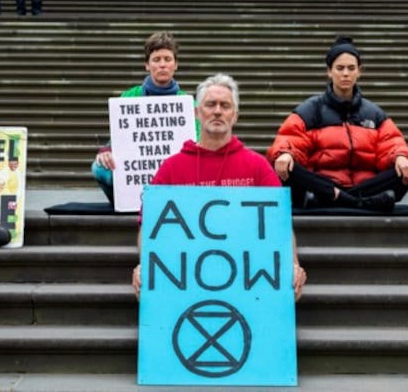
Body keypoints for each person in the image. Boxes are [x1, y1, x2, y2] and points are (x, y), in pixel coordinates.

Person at [131, 73, 306, 301]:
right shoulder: (171, 168)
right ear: (196, 112)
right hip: (186, 279)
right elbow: (149, 224)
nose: (217, 111)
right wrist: (146, 265)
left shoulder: (258, 167)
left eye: (225, 105)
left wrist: (293, 264)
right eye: (210, 104)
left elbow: (279, 223)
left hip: (245, 280)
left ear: (235, 115)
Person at [267, 36, 408, 212]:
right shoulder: (310, 110)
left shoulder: (374, 113)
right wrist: (285, 154)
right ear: (329, 72)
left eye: (351, 68)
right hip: (323, 182)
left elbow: (393, 142)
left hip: (363, 185)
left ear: (359, 71)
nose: (345, 73)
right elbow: (289, 138)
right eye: (340, 68)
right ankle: (361, 203)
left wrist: (400, 156)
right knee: (284, 167)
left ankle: (333, 200)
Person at [92, 31, 197, 206]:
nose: (162, 65)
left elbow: (197, 141)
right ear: (147, 65)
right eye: (156, 60)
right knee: (99, 168)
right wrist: (106, 151)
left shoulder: (188, 102)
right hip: (138, 169)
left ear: (176, 65)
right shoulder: (128, 96)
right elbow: (120, 138)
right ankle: (126, 203)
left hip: (174, 172)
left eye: (167, 59)